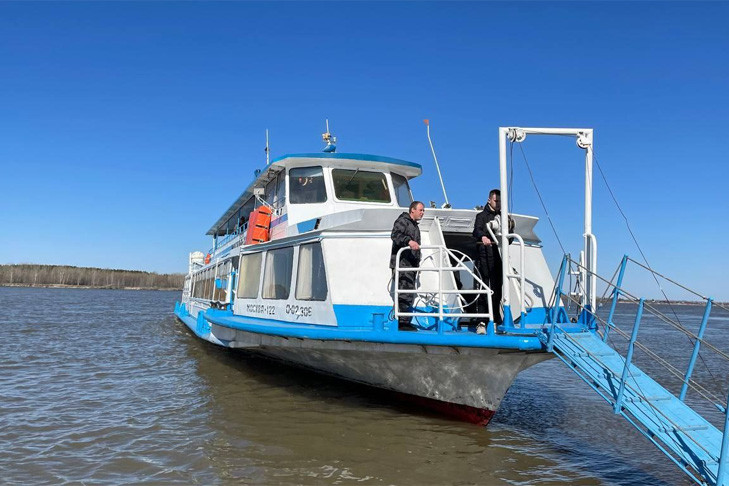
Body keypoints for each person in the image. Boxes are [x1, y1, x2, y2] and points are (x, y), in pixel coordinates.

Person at [473, 189, 505, 332]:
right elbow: (476, 231)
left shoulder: (503, 217)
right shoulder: (481, 216)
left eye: (499, 201)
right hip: (484, 257)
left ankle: (496, 320)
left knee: (497, 289)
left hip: (497, 258)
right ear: (489, 200)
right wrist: (483, 237)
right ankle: (481, 322)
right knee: (483, 289)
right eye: (495, 201)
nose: (497, 203)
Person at [390, 201, 425, 331]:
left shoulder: (415, 226)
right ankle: (402, 322)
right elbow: (395, 235)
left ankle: (405, 320)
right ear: (412, 210)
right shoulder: (402, 221)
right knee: (404, 292)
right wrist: (408, 241)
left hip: (411, 265)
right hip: (402, 264)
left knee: (409, 292)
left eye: (423, 210)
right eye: (420, 210)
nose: (422, 213)